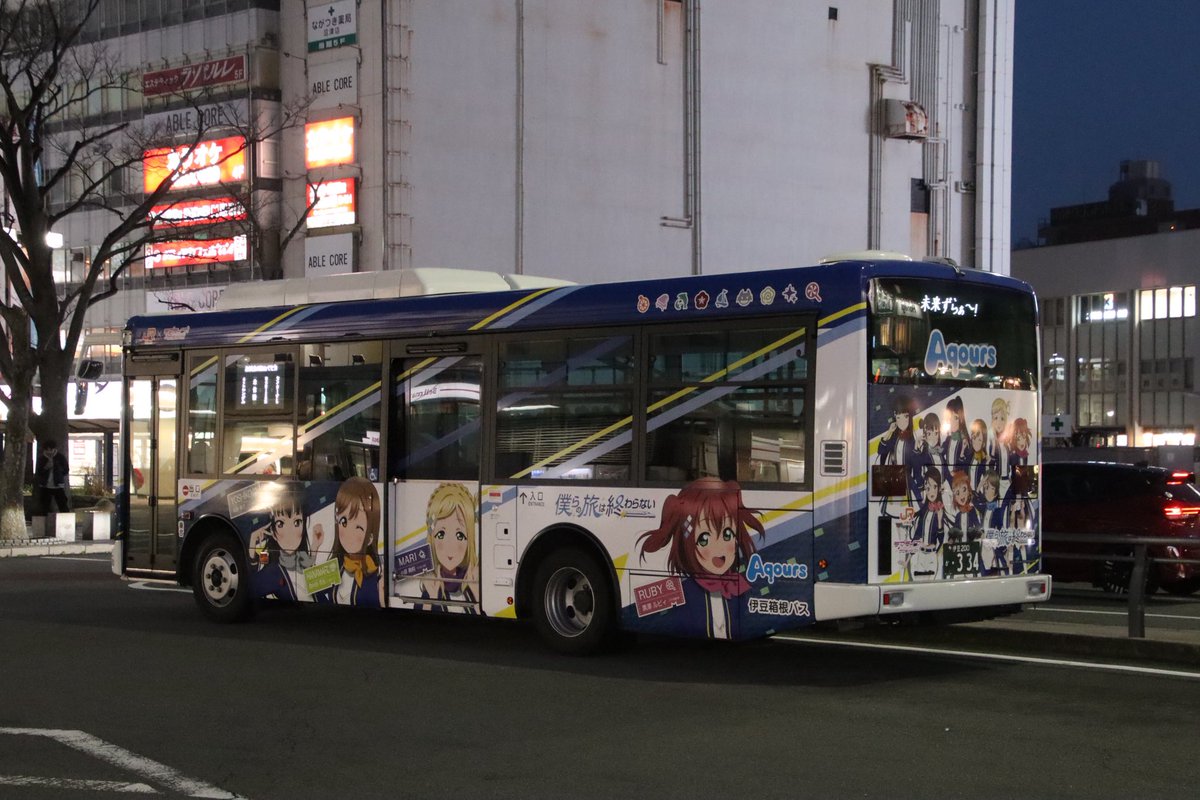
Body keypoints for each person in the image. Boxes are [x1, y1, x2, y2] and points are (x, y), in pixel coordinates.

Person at [637, 477, 765, 640]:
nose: (719, 549)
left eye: (728, 534)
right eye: (704, 538)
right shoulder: (684, 592)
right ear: (687, 541)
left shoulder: (737, 588)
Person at [418, 482, 480, 612]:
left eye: (460, 535)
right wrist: (433, 597)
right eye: (441, 534)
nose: (450, 546)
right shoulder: (432, 583)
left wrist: (477, 594)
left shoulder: (471, 583)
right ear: (432, 537)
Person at [35, 439, 71, 515]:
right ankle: (44, 521)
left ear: (54, 449)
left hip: (58, 485)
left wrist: (57, 469)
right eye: (47, 450)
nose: (49, 452)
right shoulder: (41, 459)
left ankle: (66, 519)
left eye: (51, 449)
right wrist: (46, 467)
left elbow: (66, 470)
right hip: (45, 486)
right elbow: (39, 472)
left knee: (62, 503)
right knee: (44, 505)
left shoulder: (60, 457)